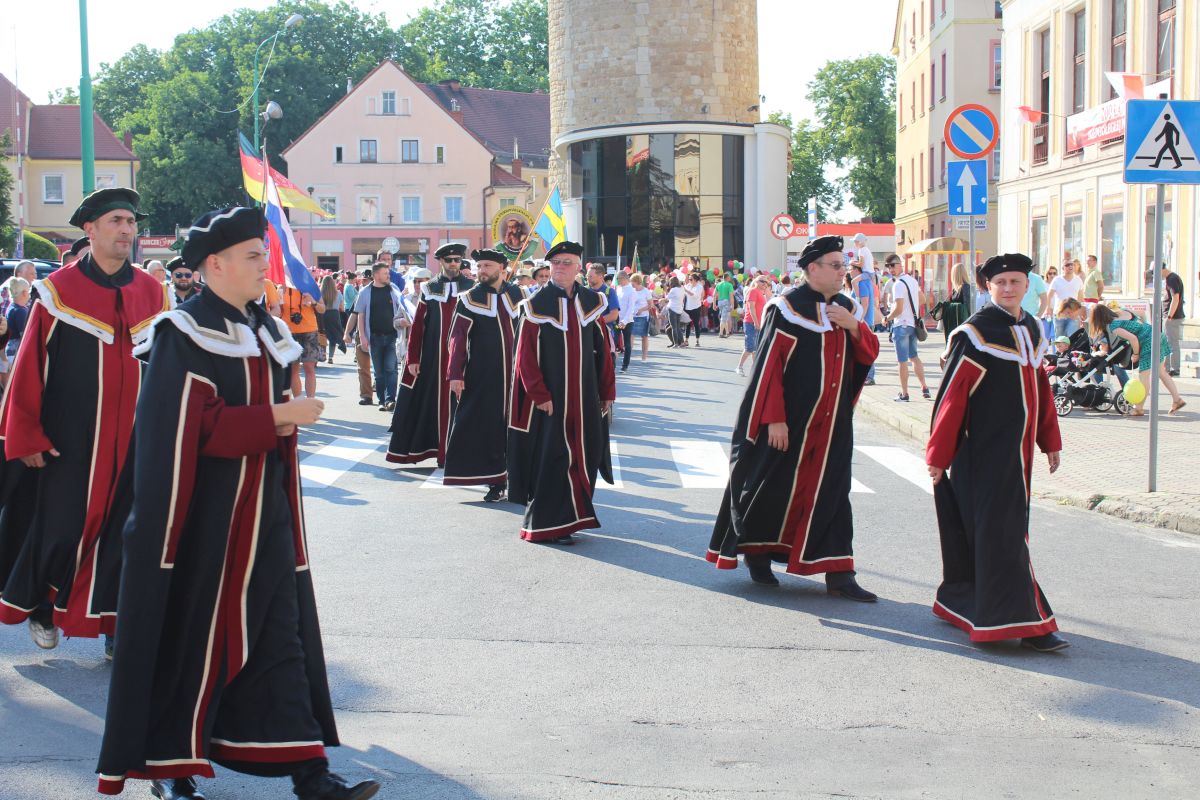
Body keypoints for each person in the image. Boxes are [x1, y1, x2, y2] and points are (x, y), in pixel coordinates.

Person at [96, 206, 377, 800]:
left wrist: (280, 423)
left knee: (282, 640)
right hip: (200, 528)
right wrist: (275, 417)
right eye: (252, 256)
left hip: (265, 520)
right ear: (214, 265)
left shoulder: (267, 331)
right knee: (189, 645)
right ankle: (172, 773)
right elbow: (185, 431)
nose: (263, 265)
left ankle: (311, 774)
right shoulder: (182, 333)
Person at [0, 188, 169, 653]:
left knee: (127, 534)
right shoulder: (58, 292)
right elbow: (29, 368)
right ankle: (41, 606)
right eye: (116, 221)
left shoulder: (152, 292)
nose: (127, 230)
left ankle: (117, 626)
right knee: (60, 530)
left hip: (135, 439)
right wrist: (26, 434)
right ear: (90, 229)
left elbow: (170, 369)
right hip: (71, 439)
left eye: (131, 222)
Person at [708, 236, 880, 600]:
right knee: (773, 489)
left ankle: (839, 574)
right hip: (790, 422)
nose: (842, 271)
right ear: (812, 269)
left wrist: (853, 325)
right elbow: (767, 368)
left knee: (834, 494)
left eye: (843, 264)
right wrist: (774, 419)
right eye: (835, 264)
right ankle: (758, 554)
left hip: (833, 424)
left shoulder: (847, 307)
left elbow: (867, 354)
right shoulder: (786, 308)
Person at [927, 253, 1067, 652]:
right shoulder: (975, 333)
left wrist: (1050, 441)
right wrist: (939, 455)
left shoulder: (1032, 328)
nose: (1008, 288)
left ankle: (966, 605)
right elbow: (951, 399)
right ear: (988, 287)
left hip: (1019, 457)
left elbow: (1041, 392)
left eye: (1015, 282)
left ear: (1027, 286)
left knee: (996, 535)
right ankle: (1025, 622)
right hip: (982, 455)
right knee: (1002, 536)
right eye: (1000, 282)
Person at [507, 241, 614, 544]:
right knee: (552, 459)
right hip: (552, 402)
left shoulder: (593, 302)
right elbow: (524, 357)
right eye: (555, 263)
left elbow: (603, 352)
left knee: (585, 455)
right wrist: (539, 395)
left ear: (580, 267)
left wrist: (608, 390)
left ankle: (573, 517)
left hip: (585, 398)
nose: (561, 267)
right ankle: (547, 524)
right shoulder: (534, 306)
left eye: (567, 262)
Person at [443, 249, 525, 502]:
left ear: (502, 268)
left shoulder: (518, 294)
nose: (482, 271)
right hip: (483, 375)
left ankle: (521, 478)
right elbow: (457, 338)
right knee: (485, 427)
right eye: (479, 267)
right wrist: (455, 373)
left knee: (519, 427)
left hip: (519, 374)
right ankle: (495, 480)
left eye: (487, 266)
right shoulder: (469, 298)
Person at [387, 243, 473, 466]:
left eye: (457, 260)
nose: (453, 264)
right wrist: (413, 358)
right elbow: (417, 328)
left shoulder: (473, 288)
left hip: (469, 357)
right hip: (435, 358)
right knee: (434, 404)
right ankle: (438, 451)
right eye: (449, 260)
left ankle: (462, 453)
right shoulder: (429, 288)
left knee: (467, 404)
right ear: (441, 262)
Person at [1090, 302, 1185, 416]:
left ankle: (1139, 408)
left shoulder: (1114, 326)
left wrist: (1135, 354)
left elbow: (1133, 339)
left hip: (1147, 343)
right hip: (1157, 335)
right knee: (1161, 372)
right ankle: (1177, 400)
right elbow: (1141, 316)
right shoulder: (1123, 311)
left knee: (1143, 376)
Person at [352, 262, 404, 411]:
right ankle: (381, 400)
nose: (388, 275)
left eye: (388, 273)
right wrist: (362, 337)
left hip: (392, 337)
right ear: (376, 275)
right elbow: (360, 315)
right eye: (385, 273)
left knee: (391, 369)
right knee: (379, 372)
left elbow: (403, 308)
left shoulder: (393, 289)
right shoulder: (365, 292)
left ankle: (390, 400)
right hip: (373, 337)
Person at [884, 258, 930, 401]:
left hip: (901, 325)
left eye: (893, 266)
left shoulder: (897, 284)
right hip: (912, 325)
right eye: (888, 266)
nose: (891, 269)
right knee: (914, 357)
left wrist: (887, 318)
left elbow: (898, 309)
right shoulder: (912, 280)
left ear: (900, 265)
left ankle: (904, 394)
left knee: (902, 361)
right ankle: (925, 387)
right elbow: (922, 299)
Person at [282, 283, 325, 399]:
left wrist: (313, 302)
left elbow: (322, 309)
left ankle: (310, 401)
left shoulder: (310, 286)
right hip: (289, 332)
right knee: (293, 369)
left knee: (309, 367)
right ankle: (299, 401)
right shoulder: (282, 287)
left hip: (309, 331)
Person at [341, 268, 376, 406]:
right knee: (363, 368)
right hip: (361, 335)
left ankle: (383, 394)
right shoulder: (361, 293)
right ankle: (366, 395)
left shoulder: (385, 292)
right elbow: (354, 314)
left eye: (368, 280)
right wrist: (347, 332)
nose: (366, 283)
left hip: (378, 334)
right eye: (364, 281)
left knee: (381, 368)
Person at [735, 275, 770, 376]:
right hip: (751, 322)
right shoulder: (753, 291)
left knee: (755, 348)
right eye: (762, 281)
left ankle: (755, 370)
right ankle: (739, 366)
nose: (765, 284)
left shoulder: (761, 292)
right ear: (756, 281)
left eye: (766, 283)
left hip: (758, 323)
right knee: (750, 347)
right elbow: (751, 308)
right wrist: (756, 322)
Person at [0, 277, 31, 391]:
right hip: (16, 352)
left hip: (9, 350)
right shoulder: (20, 311)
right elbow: (26, 336)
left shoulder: (12, 307)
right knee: (17, 385)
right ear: (24, 293)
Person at [850, 265, 878, 385]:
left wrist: (860, 320)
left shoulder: (863, 283)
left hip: (865, 321)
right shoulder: (861, 282)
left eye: (851, 268)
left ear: (857, 270)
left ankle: (870, 376)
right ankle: (866, 376)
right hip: (865, 320)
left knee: (866, 349)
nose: (849, 271)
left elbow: (865, 304)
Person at [1163, 263, 1185, 376]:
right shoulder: (1172, 278)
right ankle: (1167, 368)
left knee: (1172, 342)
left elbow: (1175, 298)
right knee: (1168, 342)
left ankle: (1174, 368)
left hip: (1173, 317)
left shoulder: (1171, 279)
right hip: (1172, 316)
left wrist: (1169, 316)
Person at [319, 274, 345, 364]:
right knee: (333, 336)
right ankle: (330, 357)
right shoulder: (338, 293)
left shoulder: (320, 293)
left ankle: (322, 354)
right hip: (334, 315)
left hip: (323, 314)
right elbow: (342, 307)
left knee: (323, 335)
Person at [663, 276, 686, 348]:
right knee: (677, 327)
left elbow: (667, 298)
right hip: (679, 309)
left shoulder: (673, 290)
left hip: (672, 309)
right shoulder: (682, 288)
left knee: (674, 327)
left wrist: (666, 290)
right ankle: (682, 342)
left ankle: (676, 343)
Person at [683, 272, 704, 346]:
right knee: (687, 324)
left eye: (691, 279)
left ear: (695, 280)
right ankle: (686, 340)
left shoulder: (699, 287)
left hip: (696, 307)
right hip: (688, 307)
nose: (689, 281)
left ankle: (697, 340)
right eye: (689, 279)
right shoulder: (688, 285)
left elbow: (694, 295)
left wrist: (686, 290)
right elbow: (683, 293)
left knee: (696, 324)